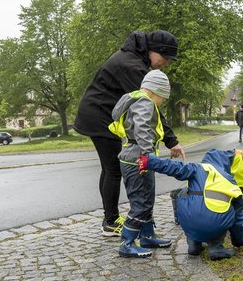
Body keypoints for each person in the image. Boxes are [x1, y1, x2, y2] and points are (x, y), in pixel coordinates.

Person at [73, 30, 186, 237]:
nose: (167, 64)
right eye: (166, 58)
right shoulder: (131, 66)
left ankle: (111, 218)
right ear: (155, 51)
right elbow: (150, 107)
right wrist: (172, 141)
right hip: (100, 116)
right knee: (113, 169)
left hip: (104, 115)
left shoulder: (134, 59)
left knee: (111, 169)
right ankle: (110, 221)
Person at [109, 69, 174, 258]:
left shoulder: (133, 99)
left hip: (133, 156)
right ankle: (126, 242)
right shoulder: (145, 102)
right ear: (156, 91)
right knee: (141, 201)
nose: (162, 102)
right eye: (163, 97)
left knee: (147, 198)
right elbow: (142, 127)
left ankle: (147, 235)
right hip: (139, 157)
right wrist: (147, 154)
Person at [138, 149, 243, 260]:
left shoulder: (198, 168)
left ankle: (193, 244)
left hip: (189, 220)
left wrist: (150, 161)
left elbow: (173, 167)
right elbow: (238, 220)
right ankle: (216, 247)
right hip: (216, 224)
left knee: (184, 193)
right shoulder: (230, 181)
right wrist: (239, 241)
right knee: (230, 209)